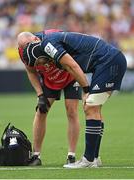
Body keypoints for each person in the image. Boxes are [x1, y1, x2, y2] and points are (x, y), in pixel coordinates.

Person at [20, 31, 127, 168]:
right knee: (94, 108)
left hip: (108, 61)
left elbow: (72, 66)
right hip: (108, 61)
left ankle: (87, 160)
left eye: (42, 61)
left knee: (90, 106)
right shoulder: (46, 45)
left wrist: (86, 90)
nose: (44, 64)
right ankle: (94, 158)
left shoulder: (48, 44)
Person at [17, 30, 82, 167]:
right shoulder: (23, 52)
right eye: (23, 49)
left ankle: (71, 155)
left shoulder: (52, 36)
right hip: (49, 80)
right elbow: (31, 71)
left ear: (35, 39)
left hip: (70, 75)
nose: (25, 50)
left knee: (72, 111)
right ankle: (36, 156)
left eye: (27, 46)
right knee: (41, 111)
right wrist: (40, 95)